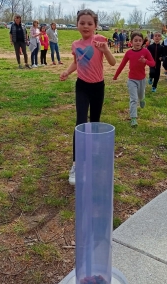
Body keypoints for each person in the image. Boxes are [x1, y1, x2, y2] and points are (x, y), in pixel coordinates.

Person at [59, 9, 116, 185]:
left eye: (89, 23)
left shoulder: (99, 41)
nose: (85, 26)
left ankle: (94, 158)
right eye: (82, 23)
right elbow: (77, 62)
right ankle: (76, 164)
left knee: (96, 122)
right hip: (82, 87)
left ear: (95, 26)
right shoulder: (75, 44)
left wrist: (106, 50)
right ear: (77, 24)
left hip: (98, 87)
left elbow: (113, 62)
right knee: (80, 123)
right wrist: (67, 72)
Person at [113, 31, 155, 127]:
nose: (138, 42)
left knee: (140, 96)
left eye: (140, 40)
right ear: (131, 42)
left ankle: (142, 99)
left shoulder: (145, 51)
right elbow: (122, 65)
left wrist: (145, 61)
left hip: (142, 79)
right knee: (133, 99)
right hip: (131, 80)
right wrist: (116, 76)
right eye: (135, 40)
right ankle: (133, 119)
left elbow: (153, 63)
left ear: (142, 42)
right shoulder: (129, 53)